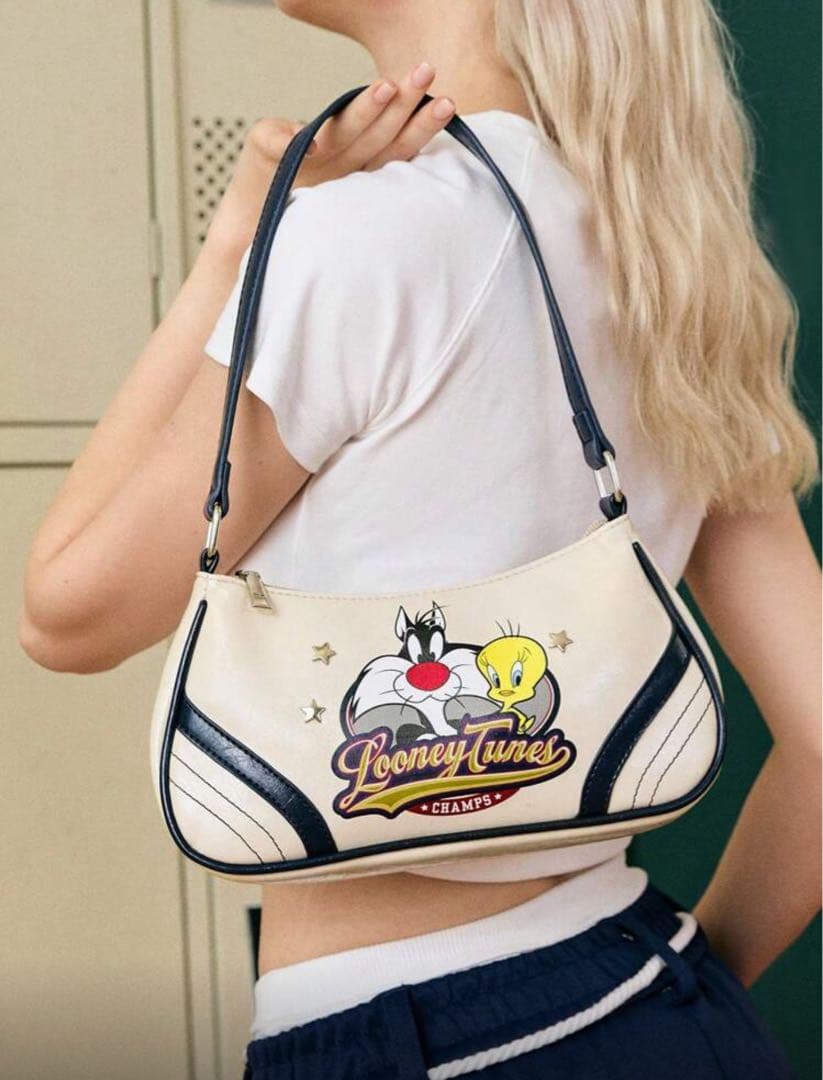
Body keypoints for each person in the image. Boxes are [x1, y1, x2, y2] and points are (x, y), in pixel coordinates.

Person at [19, 1, 820, 1077]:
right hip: (657, 994)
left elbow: (64, 615)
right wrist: (675, 992)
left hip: (415, 1038)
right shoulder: (675, 257)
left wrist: (236, 244)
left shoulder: (362, 236)